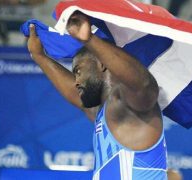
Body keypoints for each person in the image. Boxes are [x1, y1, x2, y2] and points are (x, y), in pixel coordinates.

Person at [27, 12, 168, 179]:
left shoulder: (129, 106)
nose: (76, 81)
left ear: (101, 64)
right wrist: (39, 56)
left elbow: (143, 86)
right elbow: (76, 95)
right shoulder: (105, 113)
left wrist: (89, 40)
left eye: (79, 71)